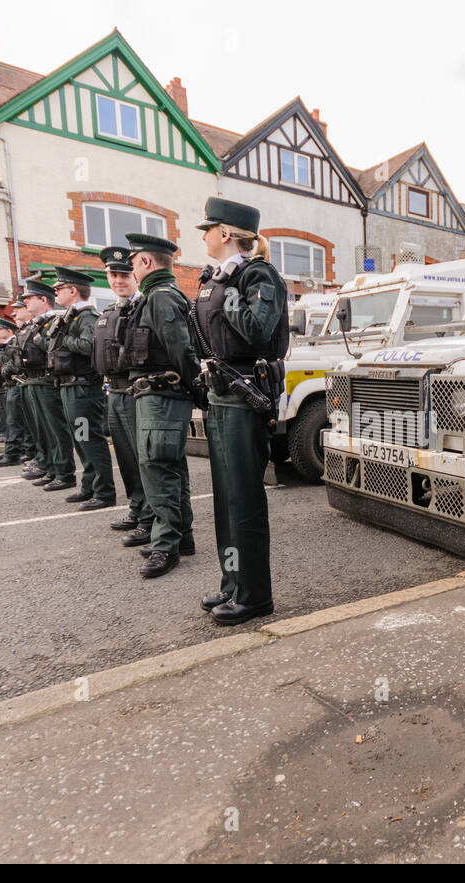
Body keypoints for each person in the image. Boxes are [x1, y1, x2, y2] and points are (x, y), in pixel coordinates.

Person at [189, 198, 288, 622]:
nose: (205, 236)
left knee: (244, 501)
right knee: (227, 502)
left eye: (208, 229)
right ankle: (232, 584)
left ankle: (254, 596)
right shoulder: (216, 278)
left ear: (226, 233)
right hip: (220, 396)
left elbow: (256, 328)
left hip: (245, 397)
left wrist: (227, 289)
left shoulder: (257, 274)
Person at [123, 233, 201, 579]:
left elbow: (181, 349)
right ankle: (180, 537)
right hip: (157, 395)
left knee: (158, 467)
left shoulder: (161, 297)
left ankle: (165, 545)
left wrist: (193, 389)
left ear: (146, 262)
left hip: (162, 396)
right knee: (169, 465)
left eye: (133, 263)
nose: (132, 271)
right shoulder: (158, 297)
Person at [94, 246, 154, 547]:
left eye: (124, 274)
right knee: (126, 458)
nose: (118, 280)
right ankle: (136, 507)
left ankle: (149, 518)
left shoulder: (144, 307)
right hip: (113, 392)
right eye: (113, 274)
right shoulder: (109, 312)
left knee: (142, 457)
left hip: (134, 391)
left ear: (135, 276)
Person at [49, 265, 116, 510]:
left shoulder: (87, 317)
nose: (56, 292)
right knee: (81, 441)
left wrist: (63, 340)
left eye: (60, 288)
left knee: (89, 439)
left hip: (83, 390)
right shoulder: (71, 317)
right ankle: (90, 486)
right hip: (71, 388)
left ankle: (104, 491)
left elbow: (89, 345)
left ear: (73, 290)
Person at [19, 279, 76, 491]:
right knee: (44, 430)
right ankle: (52, 469)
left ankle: (64, 472)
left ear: (43, 300)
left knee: (56, 430)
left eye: (29, 298)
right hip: (34, 380)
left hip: (47, 381)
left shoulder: (54, 321)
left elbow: (52, 350)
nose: (25, 303)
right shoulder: (37, 324)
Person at [0, 316, 27, 466]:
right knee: (10, 421)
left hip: (16, 385)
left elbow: (13, 365)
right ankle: (13, 451)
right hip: (8, 386)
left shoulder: (13, 344)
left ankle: (13, 454)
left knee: (14, 421)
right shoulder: (4, 347)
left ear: (9, 330)